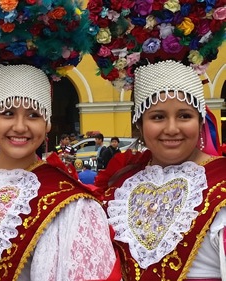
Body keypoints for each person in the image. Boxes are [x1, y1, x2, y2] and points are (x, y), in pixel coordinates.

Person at [0, 1, 120, 280]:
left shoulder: (70, 203)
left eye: (34, 114)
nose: (20, 126)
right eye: (8, 113)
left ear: (47, 123)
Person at [89, 0, 226, 279]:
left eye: (185, 116)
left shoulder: (221, 185)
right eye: (158, 117)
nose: (172, 129)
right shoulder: (121, 186)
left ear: (201, 120)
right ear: (139, 124)